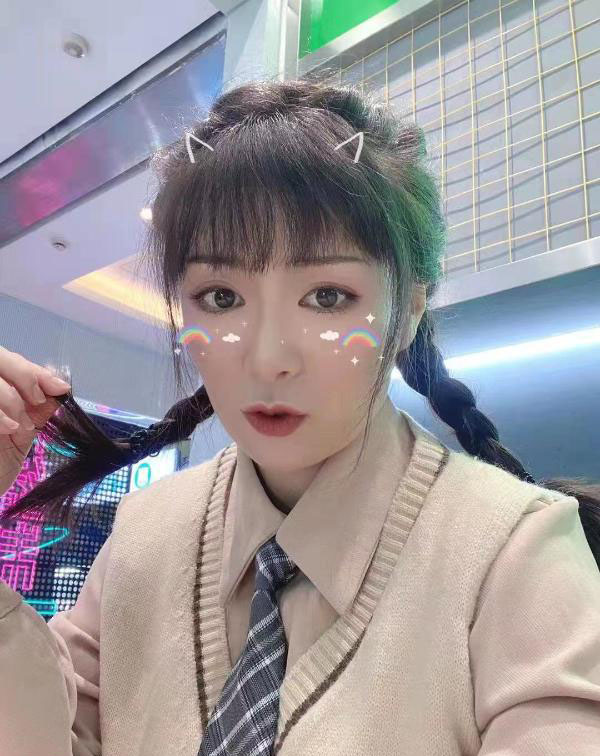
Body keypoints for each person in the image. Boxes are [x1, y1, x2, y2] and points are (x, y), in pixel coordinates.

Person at [1, 75, 599, 755]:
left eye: (328, 297)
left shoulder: (514, 551)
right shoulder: (143, 535)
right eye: (220, 297)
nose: (267, 358)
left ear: (408, 311)